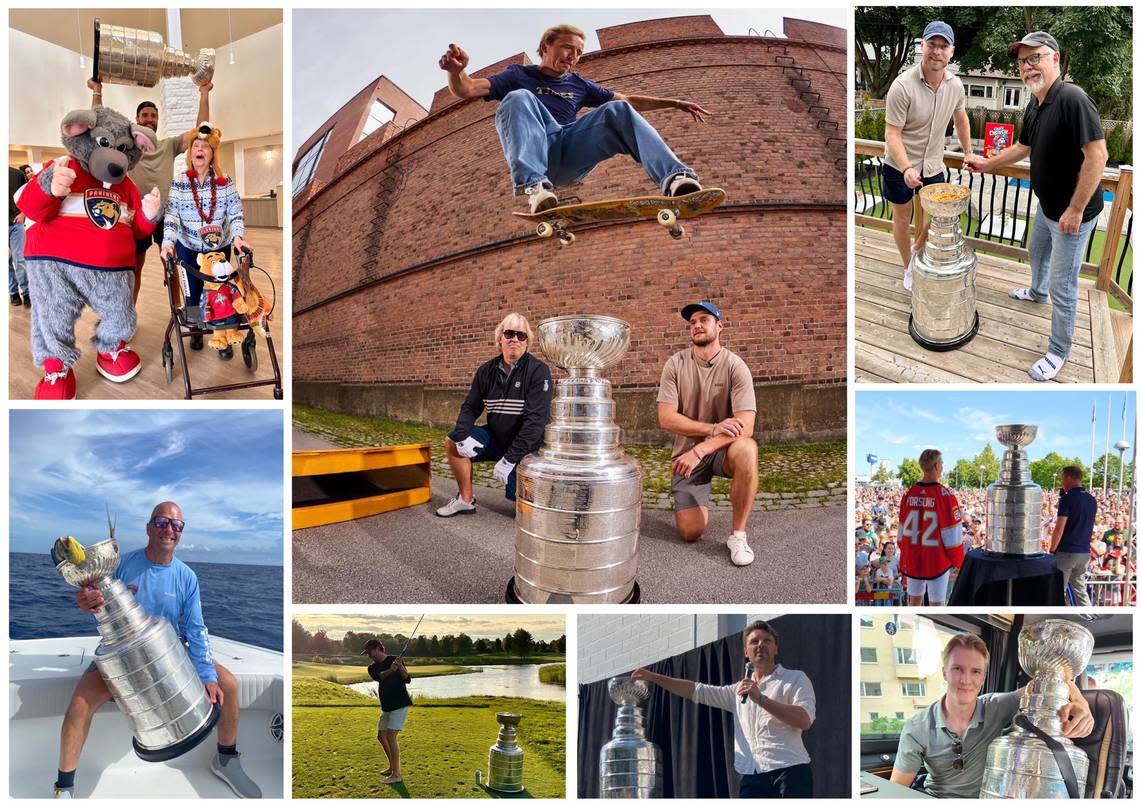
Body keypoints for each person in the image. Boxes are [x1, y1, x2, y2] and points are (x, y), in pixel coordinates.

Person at [53, 502, 260, 799]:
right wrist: (87, 601)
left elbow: (196, 629)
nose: (169, 530)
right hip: (121, 655)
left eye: (177, 525)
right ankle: (65, 787)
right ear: (149, 527)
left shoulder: (187, 576)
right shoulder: (121, 564)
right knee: (79, 706)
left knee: (228, 683)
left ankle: (226, 759)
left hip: (170, 650)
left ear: (181, 533)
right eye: (162, 522)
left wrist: (207, 675)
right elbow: (98, 603)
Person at [440, 24, 710, 214]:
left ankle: (676, 179)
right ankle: (534, 187)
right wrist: (456, 72)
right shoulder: (518, 75)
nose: (573, 56)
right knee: (518, 97)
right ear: (546, 46)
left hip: (569, 152)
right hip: (537, 153)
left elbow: (628, 100)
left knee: (620, 109)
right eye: (567, 48)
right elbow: (468, 89)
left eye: (578, 52)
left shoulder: (580, 84)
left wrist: (674, 103)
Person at [963, 32, 1108, 381]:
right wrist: (987, 164)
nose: (1028, 67)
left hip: (1073, 215)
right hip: (1046, 206)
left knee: (1065, 285)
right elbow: (1023, 148)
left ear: (1055, 59)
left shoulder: (1074, 100)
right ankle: (1036, 292)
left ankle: (1059, 351)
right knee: (1036, 252)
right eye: (1023, 62)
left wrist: (1074, 210)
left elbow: (1098, 156)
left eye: (1035, 58)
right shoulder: (1035, 102)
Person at [890, 632, 1093, 798]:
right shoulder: (916, 728)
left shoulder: (996, 706)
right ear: (944, 672)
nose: (966, 680)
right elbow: (897, 792)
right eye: (957, 669)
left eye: (976, 671)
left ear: (984, 676)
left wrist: (1081, 702)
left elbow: (1041, 685)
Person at [632, 620, 815, 798]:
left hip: (790, 772)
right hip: (751, 776)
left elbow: (804, 720)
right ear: (746, 652)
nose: (760, 645)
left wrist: (760, 698)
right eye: (754, 641)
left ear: (776, 648)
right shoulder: (737, 691)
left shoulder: (795, 679)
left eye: (766, 640)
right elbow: (697, 690)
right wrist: (655, 678)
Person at [89, 78, 213, 304]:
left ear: (157, 120)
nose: (149, 119)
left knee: (174, 267)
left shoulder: (168, 145)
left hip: (167, 215)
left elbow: (201, 133)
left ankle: (181, 312)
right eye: (145, 115)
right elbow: (97, 129)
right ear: (138, 119)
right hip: (138, 217)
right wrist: (97, 92)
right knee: (134, 269)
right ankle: (128, 316)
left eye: (153, 116)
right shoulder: (127, 148)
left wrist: (204, 94)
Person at [657, 300, 758, 566]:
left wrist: (702, 448)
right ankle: (693, 499)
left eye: (705, 319)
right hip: (686, 455)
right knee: (691, 532)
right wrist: (711, 429)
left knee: (747, 448)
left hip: (722, 451)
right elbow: (666, 418)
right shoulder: (675, 364)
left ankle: (738, 536)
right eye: (692, 322)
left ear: (720, 326)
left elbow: (746, 425)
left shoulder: (736, 366)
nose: (697, 325)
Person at [882, 21, 972, 291]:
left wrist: (968, 152)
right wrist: (907, 167)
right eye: (932, 44)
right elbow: (892, 134)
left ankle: (918, 248)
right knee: (902, 217)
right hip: (899, 165)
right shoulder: (902, 86)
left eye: (943, 46)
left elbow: (961, 118)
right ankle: (908, 266)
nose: (937, 51)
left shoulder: (956, 86)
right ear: (922, 46)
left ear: (951, 52)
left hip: (934, 165)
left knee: (936, 215)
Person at [436, 313, 553, 516]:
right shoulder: (486, 371)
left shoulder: (538, 371)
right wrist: (462, 435)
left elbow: (536, 423)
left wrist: (509, 459)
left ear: (527, 342)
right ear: (500, 338)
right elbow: (470, 407)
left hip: (526, 447)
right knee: (452, 441)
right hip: (496, 437)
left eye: (521, 335)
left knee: (528, 513)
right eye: (509, 333)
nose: (514, 339)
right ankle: (465, 500)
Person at [160, 123, 249, 359]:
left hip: (219, 246)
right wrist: (167, 242)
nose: (199, 150)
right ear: (191, 152)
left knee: (219, 289)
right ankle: (197, 328)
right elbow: (172, 214)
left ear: (212, 154)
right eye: (195, 146)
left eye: (205, 147)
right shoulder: (180, 181)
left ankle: (223, 338)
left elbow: (236, 211)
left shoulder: (224, 180)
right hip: (187, 246)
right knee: (192, 289)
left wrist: (239, 236)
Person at [898, 449, 965, 606]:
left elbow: (901, 531)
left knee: (913, 601)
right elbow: (953, 537)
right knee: (937, 604)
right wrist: (958, 562)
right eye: (941, 463)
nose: (942, 466)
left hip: (913, 557)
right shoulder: (946, 496)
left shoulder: (908, 494)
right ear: (936, 465)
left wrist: (905, 551)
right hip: (937, 560)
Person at [362, 638, 412, 785]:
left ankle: (397, 775)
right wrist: (391, 669)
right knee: (381, 736)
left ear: (378, 648)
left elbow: (407, 679)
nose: (369, 656)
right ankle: (392, 767)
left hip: (400, 704)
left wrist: (400, 667)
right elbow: (381, 677)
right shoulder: (372, 668)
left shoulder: (395, 660)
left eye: (370, 652)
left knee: (391, 737)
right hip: (387, 707)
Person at [1049, 465, 1097, 607]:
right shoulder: (1091, 499)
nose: (1062, 482)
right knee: (1080, 590)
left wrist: (1052, 550)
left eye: (1063, 478)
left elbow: (1059, 528)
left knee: (1057, 591)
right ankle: (1089, 615)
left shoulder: (1067, 498)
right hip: (1084, 553)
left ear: (1069, 478)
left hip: (1067, 552)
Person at [9, 164, 30, 307]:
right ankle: (13, 292)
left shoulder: (17, 174)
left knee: (20, 259)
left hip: (16, 223)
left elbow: (27, 195)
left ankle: (27, 292)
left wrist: (23, 213)